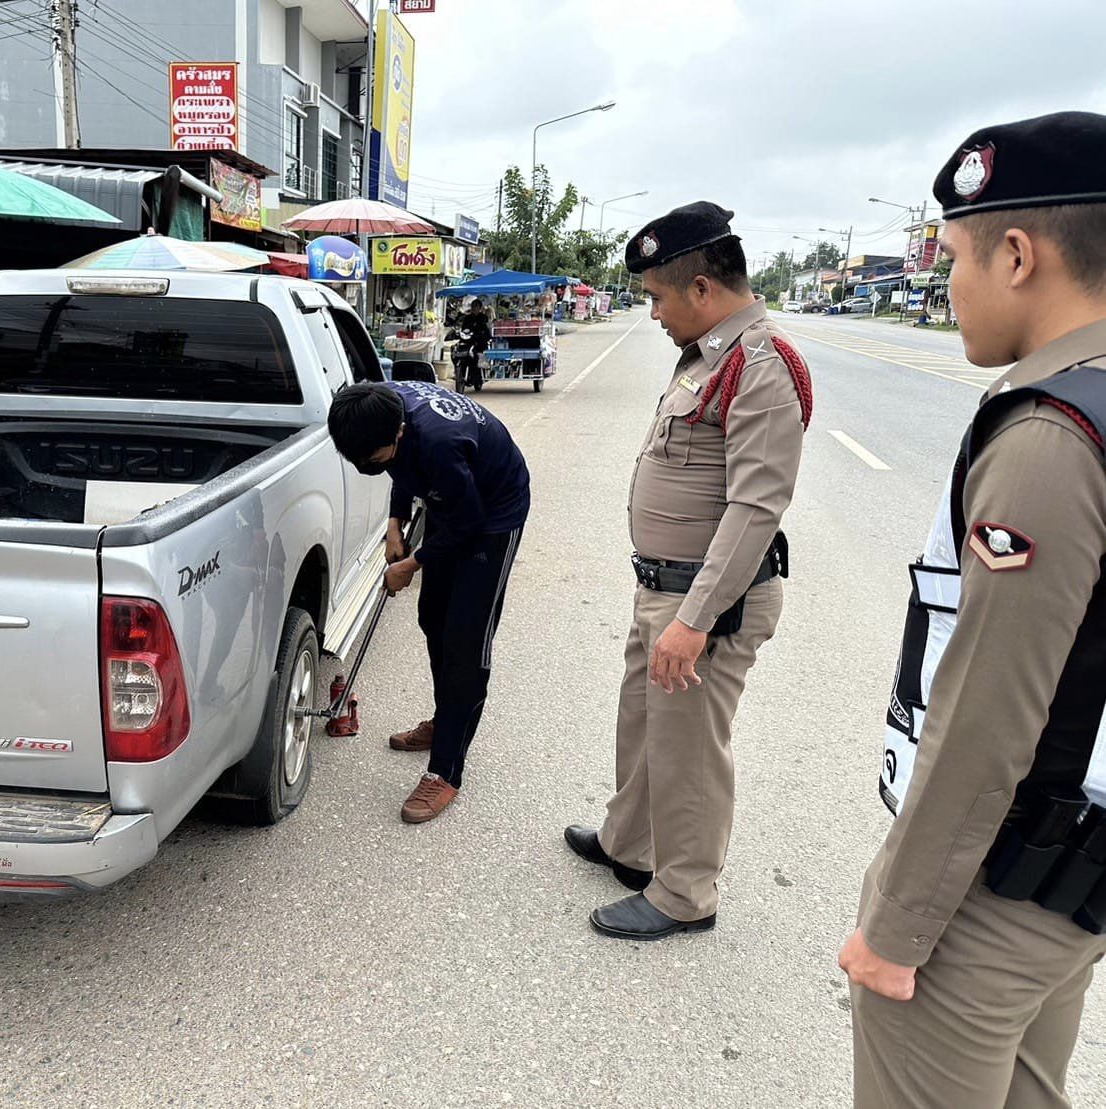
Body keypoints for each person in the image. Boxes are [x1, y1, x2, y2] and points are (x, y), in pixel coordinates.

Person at [842, 111, 1106, 1109]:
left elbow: (989, 715)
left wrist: (896, 925)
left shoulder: (1051, 436)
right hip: (1076, 871)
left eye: (953, 256)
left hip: (997, 884)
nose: (947, 282)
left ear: (1017, 254)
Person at [563, 201, 812, 940]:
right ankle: (630, 845)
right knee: (643, 726)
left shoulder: (759, 364)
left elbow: (754, 507)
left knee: (689, 749)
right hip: (663, 588)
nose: (652, 314)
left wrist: (694, 621)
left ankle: (684, 893)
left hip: (705, 604)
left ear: (701, 288)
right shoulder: (708, 355)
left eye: (656, 298)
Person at [327, 379, 530, 824]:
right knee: (433, 617)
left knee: (465, 643)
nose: (370, 467)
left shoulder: (440, 442)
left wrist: (412, 563)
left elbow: (468, 522)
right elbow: (402, 465)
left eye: (374, 460)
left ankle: (445, 771)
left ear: (398, 432)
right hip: (452, 499)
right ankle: (446, 723)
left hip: (492, 515)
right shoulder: (378, 408)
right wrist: (395, 523)